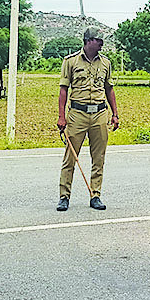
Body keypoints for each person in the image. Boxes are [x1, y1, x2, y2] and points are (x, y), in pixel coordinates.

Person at [56, 27, 119, 212]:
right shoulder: (70, 61)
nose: (102, 43)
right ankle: (64, 196)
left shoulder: (106, 63)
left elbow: (109, 89)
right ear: (89, 41)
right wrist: (62, 116)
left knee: (98, 158)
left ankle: (95, 195)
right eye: (99, 40)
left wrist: (115, 114)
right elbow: (63, 90)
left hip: (100, 113)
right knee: (70, 157)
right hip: (77, 114)